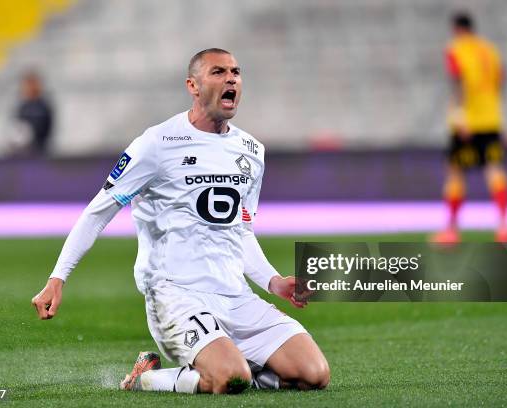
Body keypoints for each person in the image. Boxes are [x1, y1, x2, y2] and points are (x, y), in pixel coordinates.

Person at [31, 48, 330, 394]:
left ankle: (232, 364)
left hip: (235, 295)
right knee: (230, 379)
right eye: (218, 72)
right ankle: (146, 377)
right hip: (176, 295)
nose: (231, 78)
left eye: (235, 71)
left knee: (315, 374)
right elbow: (99, 210)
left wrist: (273, 282)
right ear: (193, 85)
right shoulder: (157, 143)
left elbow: (240, 231)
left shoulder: (252, 151)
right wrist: (58, 277)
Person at [432, 12, 507, 244]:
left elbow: (457, 81)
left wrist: (459, 115)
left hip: (467, 121)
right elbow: (501, 79)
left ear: (456, 29)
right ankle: (504, 227)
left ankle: (451, 231)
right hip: (491, 119)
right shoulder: (490, 50)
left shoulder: (456, 49)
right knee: (495, 170)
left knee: (455, 172)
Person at [13, 70, 54, 156]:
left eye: (32, 84)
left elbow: (46, 130)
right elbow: (17, 128)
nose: (28, 88)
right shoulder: (22, 107)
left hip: (39, 151)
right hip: (23, 151)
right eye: (27, 85)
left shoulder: (43, 106)